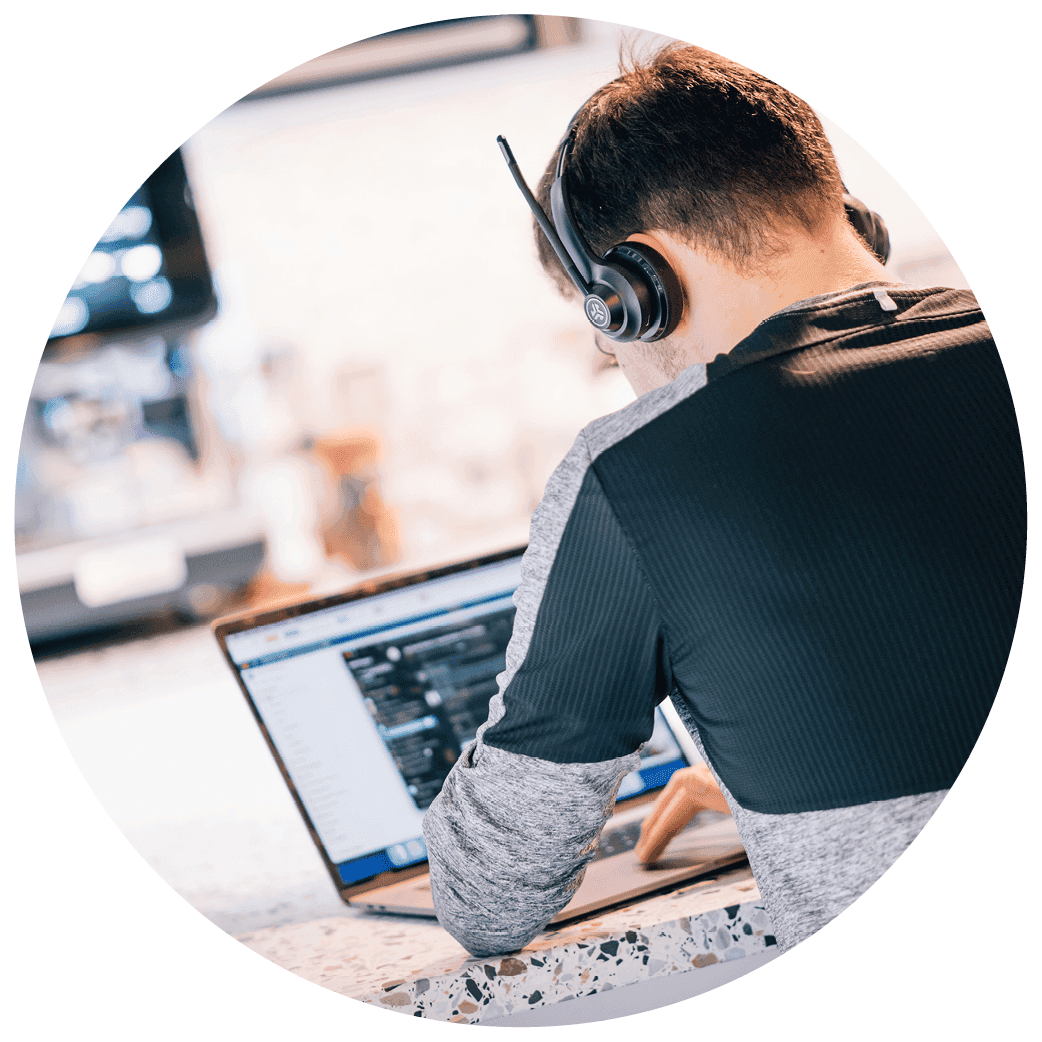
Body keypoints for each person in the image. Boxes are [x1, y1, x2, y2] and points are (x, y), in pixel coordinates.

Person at [421, 42, 1025, 959]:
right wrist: (770, 786)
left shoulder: (637, 470)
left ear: (635, 289)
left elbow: (488, 899)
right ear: (854, 221)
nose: (614, 362)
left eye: (604, 336)